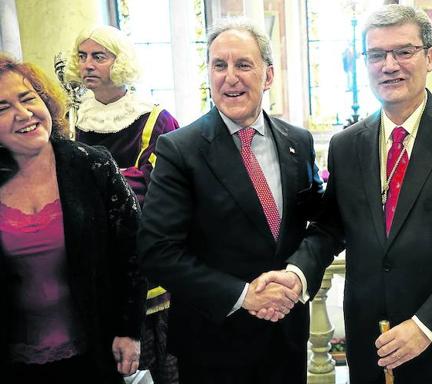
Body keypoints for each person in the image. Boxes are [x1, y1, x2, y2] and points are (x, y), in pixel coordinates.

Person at [255, 4, 432, 383]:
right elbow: (330, 227)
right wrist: (297, 275)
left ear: (430, 56)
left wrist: (426, 326)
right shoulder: (347, 144)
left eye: (403, 51)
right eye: (377, 54)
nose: (389, 65)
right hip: (372, 342)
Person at [137, 18, 324, 384]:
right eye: (219, 65)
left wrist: (298, 276)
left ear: (268, 76)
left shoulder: (297, 142)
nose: (230, 77)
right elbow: (157, 251)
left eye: (243, 64)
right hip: (214, 343)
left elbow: (323, 223)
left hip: (286, 337)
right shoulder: (180, 149)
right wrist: (243, 295)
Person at [0, 54, 146, 383]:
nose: (23, 114)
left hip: (94, 349)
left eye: (27, 98)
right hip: (14, 361)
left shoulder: (92, 165)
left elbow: (133, 251)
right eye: (2, 108)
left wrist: (129, 330)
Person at [66, 25, 179, 384]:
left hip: (146, 262)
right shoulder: (67, 119)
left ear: (121, 61)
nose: (87, 65)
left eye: (99, 56)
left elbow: (159, 190)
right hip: (88, 264)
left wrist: (96, 185)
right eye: (82, 56)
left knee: (160, 368)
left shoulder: (154, 119)